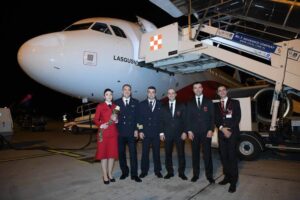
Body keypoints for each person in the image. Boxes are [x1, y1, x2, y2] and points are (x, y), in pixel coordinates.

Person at [186, 82, 215, 184]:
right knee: (195, 155)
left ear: (202, 89)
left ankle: (209, 175)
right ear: (193, 90)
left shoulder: (209, 101)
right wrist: (189, 131)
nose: (197, 89)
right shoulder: (189, 103)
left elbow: (212, 117)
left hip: (206, 132)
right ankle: (196, 174)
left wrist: (211, 129)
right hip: (194, 133)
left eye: (199, 87)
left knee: (207, 155)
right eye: (195, 88)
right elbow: (188, 118)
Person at [215, 85, 241, 193]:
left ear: (226, 91)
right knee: (224, 157)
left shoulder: (235, 102)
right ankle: (227, 177)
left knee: (232, 157)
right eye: (219, 90)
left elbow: (238, 117)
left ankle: (233, 182)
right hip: (221, 134)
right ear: (218, 93)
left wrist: (229, 130)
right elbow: (215, 119)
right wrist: (222, 128)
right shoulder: (215, 105)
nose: (222, 92)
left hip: (232, 134)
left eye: (223, 90)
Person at [115, 84, 142, 182]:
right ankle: (124, 172)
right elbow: (114, 117)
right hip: (120, 132)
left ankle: (134, 175)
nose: (127, 91)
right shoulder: (117, 103)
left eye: (128, 90)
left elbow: (138, 118)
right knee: (121, 154)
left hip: (131, 132)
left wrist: (137, 129)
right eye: (125, 90)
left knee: (133, 154)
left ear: (131, 92)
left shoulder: (135, 102)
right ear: (122, 91)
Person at [159, 88, 187, 180]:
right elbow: (161, 121)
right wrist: (161, 133)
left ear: (176, 94)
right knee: (168, 154)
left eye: (172, 93)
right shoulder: (163, 107)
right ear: (167, 95)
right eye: (169, 93)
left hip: (180, 134)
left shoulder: (182, 105)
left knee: (181, 154)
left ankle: (181, 172)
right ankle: (169, 172)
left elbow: (185, 120)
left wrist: (184, 132)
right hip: (167, 134)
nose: (171, 95)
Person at [94, 88, 118, 184]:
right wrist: (100, 124)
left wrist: (117, 121)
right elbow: (95, 119)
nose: (109, 96)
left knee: (111, 155)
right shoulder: (100, 106)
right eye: (107, 94)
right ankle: (105, 175)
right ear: (104, 96)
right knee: (103, 155)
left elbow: (116, 119)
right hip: (103, 134)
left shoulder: (116, 107)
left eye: (110, 94)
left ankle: (110, 173)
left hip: (113, 133)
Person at [138, 86, 162, 178]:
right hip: (145, 133)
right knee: (145, 153)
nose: (151, 94)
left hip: (156, 133)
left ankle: (157, 170)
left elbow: (161, 120)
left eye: (153, 92)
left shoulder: (160, 104)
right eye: (149, 92)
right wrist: (140, 130)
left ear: (155, 93)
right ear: (147, 93)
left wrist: (161, 132)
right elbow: (139, 119)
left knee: (156, 152)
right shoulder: (142, 104)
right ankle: (144, 171)